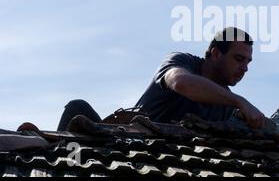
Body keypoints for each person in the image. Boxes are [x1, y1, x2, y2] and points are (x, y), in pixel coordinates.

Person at [57, 27, 265, 131]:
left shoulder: (225, 104)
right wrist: (240, 101)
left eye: (248, 62)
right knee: (77, 108)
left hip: (164, 160)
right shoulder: (181, 62)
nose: (244, 68)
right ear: (217, 53)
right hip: (122, 143)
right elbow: (181, 83)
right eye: (239, 59)